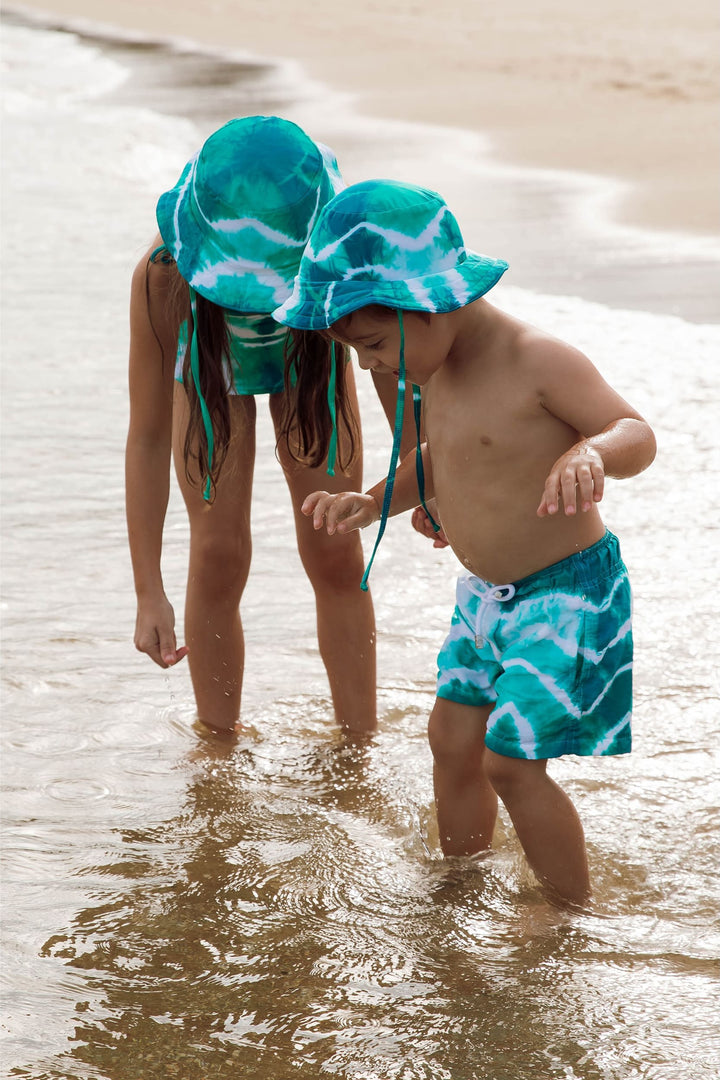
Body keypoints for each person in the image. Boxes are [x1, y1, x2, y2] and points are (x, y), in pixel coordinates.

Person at [271, 178, 656, 905]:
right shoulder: (435, 369)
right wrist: (373, 502)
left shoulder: (537, 359)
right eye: (356, 353)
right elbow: (440, 460)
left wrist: (592, 453)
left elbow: (637, 432)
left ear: (428, 304)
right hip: (487, 599)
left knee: (509, 762)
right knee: (450, 742)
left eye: (375, 344)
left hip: (567, 591)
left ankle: (567, 912)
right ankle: (462, 880)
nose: (369, 366)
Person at [126, 115, 379, 735]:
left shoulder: (343, 267)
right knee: (218, 552)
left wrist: (424, 479)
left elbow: (397, 370)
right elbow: (150, 434)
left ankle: (358, 749)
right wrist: (147, 591)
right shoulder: (166, 277)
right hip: (210, 362)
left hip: (308, 361)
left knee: (335, 546)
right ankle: (218, 755)